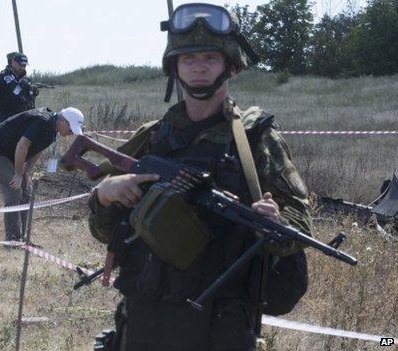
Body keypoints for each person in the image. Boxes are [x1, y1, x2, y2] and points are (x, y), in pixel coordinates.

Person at [87, 4, 312, 350]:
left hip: (221, 321)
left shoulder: (256, 138)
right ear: (174, 67)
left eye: (210, 57)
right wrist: (105, 193)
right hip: (145, 317)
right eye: (188, 58)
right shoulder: (152, 138)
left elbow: (300, 228)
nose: (199, 66)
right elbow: (107, 233)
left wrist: (272, 222)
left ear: (231, 66)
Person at [0, 107, 84, 241]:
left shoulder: (53, 130)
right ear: (63, 121)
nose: (71, 133)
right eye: (71, 129)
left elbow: (37, 150)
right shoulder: (43, 121)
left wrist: (25, 172)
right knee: (15, 191)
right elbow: (22, 145)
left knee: (27, 190)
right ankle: (12, 239)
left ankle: (25, 238)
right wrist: (18, 174)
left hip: (14, 155)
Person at [0, 53, 39, 124]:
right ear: (13, 62)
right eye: (20, 65)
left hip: (22, 119)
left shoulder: (26, 80)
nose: (22, 68)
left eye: (24, 65)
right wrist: (1, 111)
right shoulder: (1, 77)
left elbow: (30, 100)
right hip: (6, 119)